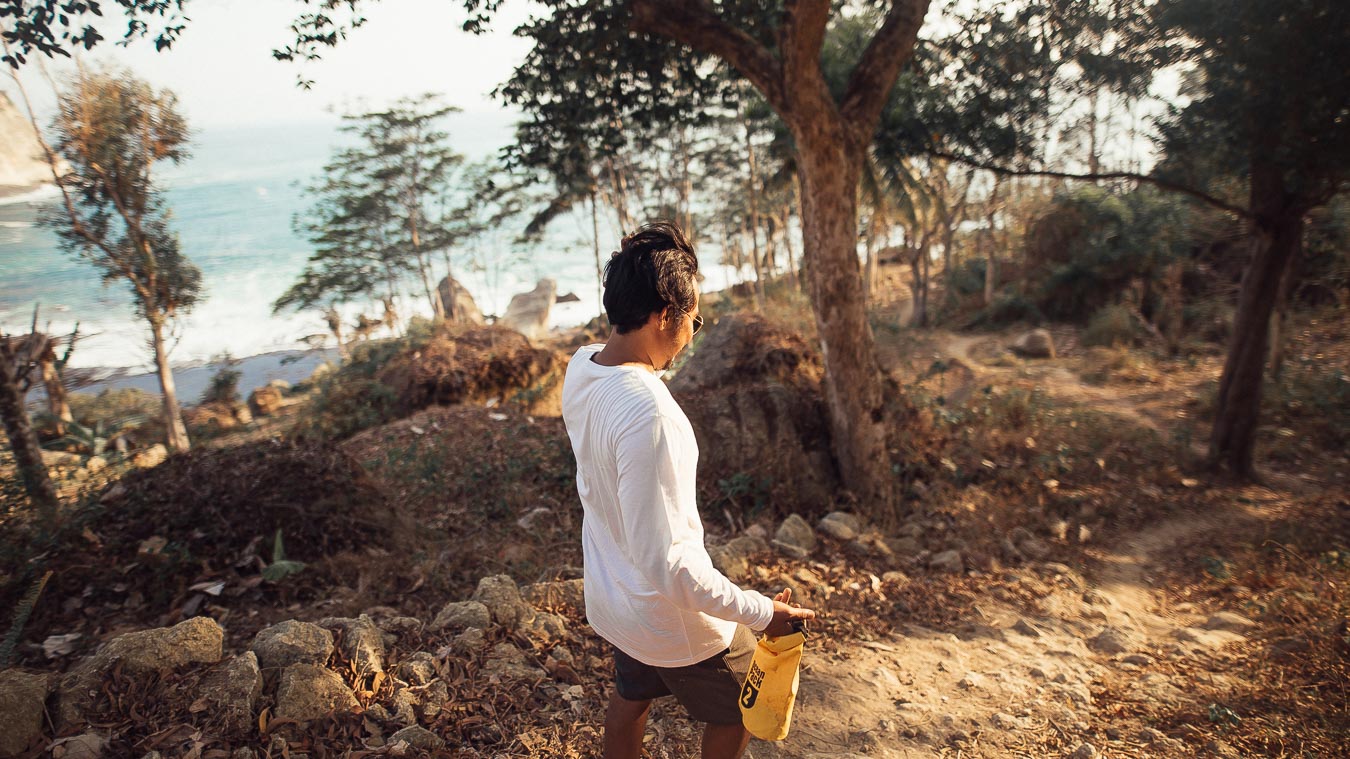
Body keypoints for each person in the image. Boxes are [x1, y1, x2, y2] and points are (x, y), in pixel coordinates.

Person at [561, 221, 816, 759]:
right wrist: (759, 611)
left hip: (616, 600)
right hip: (671, 617)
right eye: (693, 321)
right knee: (742, 706)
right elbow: (672, 567)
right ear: (664, 316)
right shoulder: (650, 413)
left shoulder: (582, 367)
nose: (691, 335)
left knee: (631, 696)